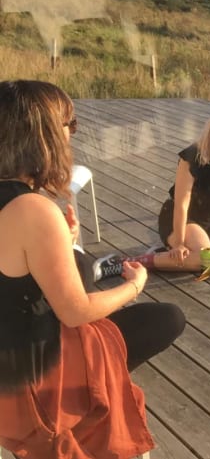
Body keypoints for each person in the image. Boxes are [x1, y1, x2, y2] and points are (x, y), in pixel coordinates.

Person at [0, 80, 185, 457]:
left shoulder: (19, 207)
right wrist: (135, 285)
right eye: (70, 124)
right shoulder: (33, 211)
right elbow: (75, 311)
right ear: (46, 134)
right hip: (31, 381)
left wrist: (64, 244)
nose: (72, 134)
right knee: (167, 318)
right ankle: (90, 406)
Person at [94, 107, 210, 279]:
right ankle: (125, 262)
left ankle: (183, 252)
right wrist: (178, 243)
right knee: (203, 261)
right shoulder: (193, 157)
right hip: (182, 220)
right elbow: (181, 203)